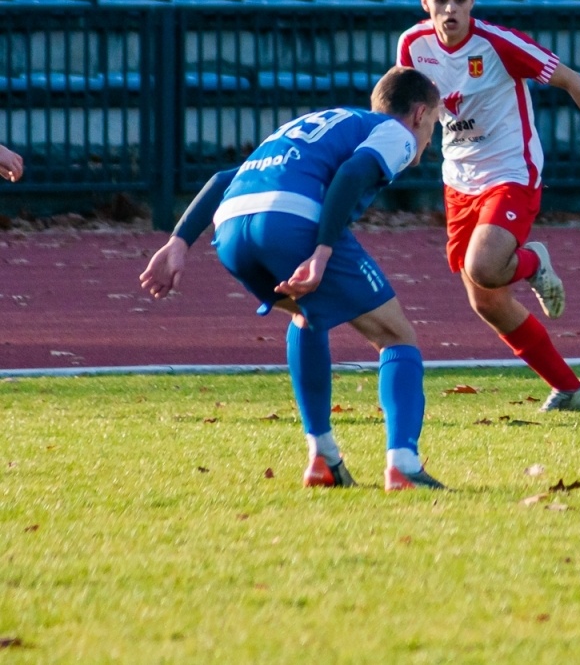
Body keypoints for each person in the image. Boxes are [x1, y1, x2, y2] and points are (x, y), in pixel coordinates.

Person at [138, 67, 446, 491]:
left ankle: (322, 457)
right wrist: (321, 252)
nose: (429, 140)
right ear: (418, 113)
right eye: (433, 125)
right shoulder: (395, 132)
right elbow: (352, 175)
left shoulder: (324, 123)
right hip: (289, 220)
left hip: (230, 230)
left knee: (306, 316)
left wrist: (178, 242)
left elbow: (223, 179)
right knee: (396, 336)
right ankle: (404, 465)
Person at [397, 0, 580, 413]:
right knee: (485, 299)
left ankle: (531, 261)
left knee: (485, 266)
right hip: (458, 179)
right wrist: (408, 143)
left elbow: (573, 81)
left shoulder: (499, 45)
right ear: (424, 2)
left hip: (511, 170)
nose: (450, 10)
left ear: (473, 2)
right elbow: (411, 103)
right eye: (441, 0)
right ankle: (570, 389)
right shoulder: (412, 45)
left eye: (460, 0)